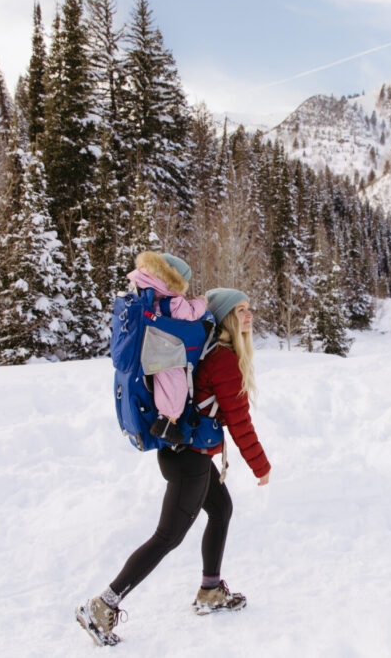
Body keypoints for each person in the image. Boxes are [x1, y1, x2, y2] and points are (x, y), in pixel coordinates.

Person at [78, 287, 271, 644]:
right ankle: (102, 606)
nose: (248, 315)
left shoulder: (214, 351)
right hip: (188, 459)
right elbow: (239, 421)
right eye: (240, 310)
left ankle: (210, 591)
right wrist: (261, 465)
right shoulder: (223, 358)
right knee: (168, 537)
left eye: (249, 308)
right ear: (227, 316)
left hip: (184, 452)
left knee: (221, 509)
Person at [127, 251, 208, 444]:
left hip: (152, 350)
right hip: (166, 353)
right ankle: (167, 423)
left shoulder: (146, 291)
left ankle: (166, 422)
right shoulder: (171, 301)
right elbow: (190, 314)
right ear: (175, 280)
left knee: (164, 386)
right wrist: (201, 302)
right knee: (176, 386)